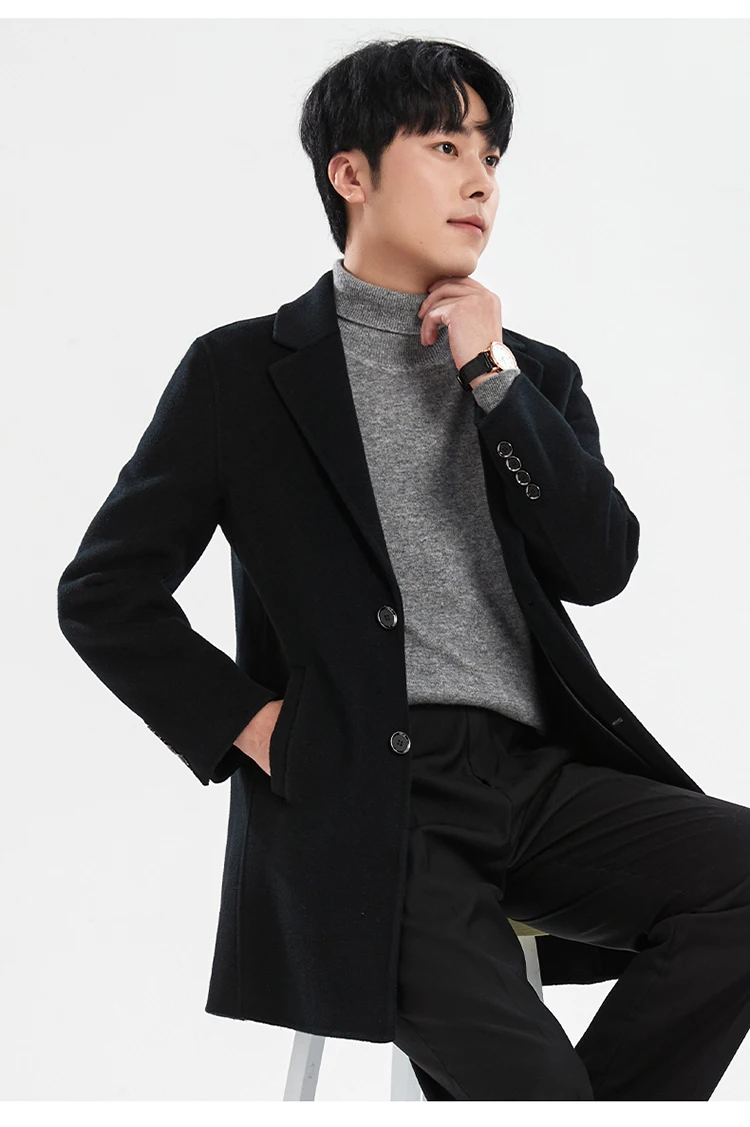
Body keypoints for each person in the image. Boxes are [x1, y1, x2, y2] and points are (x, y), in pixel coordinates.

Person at [58, 36, 750, 1100]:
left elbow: (598, 563)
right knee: (537, 1093)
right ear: (351, 172)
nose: (481, 180)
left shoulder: (533, 374)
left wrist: (492, 377)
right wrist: (258, 727)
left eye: (492, 156)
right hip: (363, 792)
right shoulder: (242, 372)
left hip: (532, 779)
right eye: (445, 146)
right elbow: (105, 593)